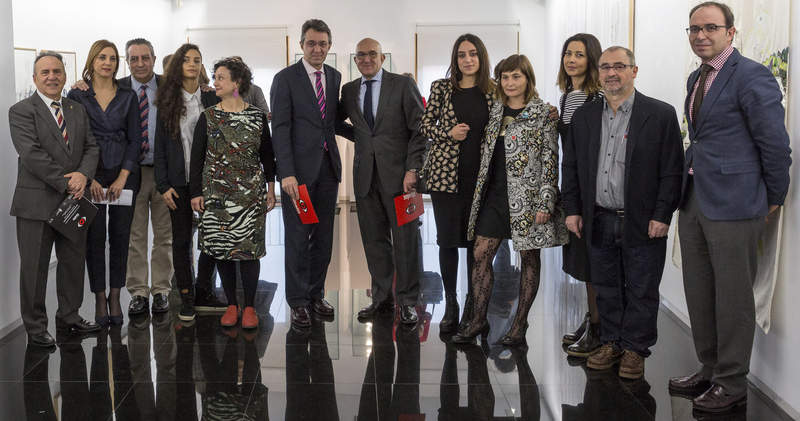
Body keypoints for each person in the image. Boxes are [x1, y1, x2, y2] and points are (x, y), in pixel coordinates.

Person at [669, 2, 792, 413]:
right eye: (693, 29)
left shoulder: (753, 76)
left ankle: (732, 381)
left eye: (710, 28)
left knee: (734, 297)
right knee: (699, 290)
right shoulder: (695, 77)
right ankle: (708, 367)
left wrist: (774, 196)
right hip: (694, 202)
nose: (700, 35)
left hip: (737, 205)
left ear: (730, 32)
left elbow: (775, 144)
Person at [561, 46, 684, 379]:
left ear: (634, 70)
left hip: (642, 220)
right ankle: (612, 341)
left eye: (619, 66)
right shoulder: (584, 117)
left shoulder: (659, 114)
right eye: (605, 67)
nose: (611, 73)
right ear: (598, 73)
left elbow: (672, 169)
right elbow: (570, 166)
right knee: (605, 285)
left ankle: (635, 350)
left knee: (642, 287)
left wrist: (663, 214)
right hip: (598, 216)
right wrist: (571, 208)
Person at [451, 54, 568, 345]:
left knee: (529, 258)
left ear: (528, 79)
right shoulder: (494, 111)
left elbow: (551, 160)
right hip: (494, 196)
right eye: (504, 77)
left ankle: (520, 324)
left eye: (516, 76)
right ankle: (478, 319)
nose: (510, 82)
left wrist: (546, 201)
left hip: (528, 200)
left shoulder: (543, 113)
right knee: (480, 255)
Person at [9, 51, 101, 347]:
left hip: (74, 201)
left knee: (73, 263)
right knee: (34, 270)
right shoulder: (21, 111)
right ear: (35, 78)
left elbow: (91, 147)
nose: (52, 77)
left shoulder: (76, 108)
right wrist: (68, 181)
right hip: (36, 205)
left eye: (57, 71)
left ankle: (69, 316)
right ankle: (36, 327)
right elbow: (31, 154)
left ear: (64, 75)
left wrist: (84, 176)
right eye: (45, 72)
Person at [270, 19, 353, 329]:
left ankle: (316, 293)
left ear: (329, 46)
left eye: (322, 44)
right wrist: (286, 173)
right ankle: (298, 301)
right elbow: (280, 128)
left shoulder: (334, 77)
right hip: (298, 177)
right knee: (297, 237)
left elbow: (330, 122)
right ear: (301, 46)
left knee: (323, 237)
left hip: (328, 170)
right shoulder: (285, 79)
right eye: (311, 43)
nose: (317, 48)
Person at [340, 38, 426, 325]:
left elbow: (419, 130)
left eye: (372, 54)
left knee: (406, 241)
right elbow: (339, 123)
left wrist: (412, 169)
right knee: (374, 242)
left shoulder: (402, 85)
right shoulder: (350, 90)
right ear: (355, 60)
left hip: (402, 179)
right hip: (366, 178)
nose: (366, 59)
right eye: (361, 55)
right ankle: (381, 299)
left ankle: (408, 302)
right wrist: (364, 141)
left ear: (382, 57)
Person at [190, 57, 276, 329]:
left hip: (250, 194)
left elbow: (268, 156)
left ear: (237, 83)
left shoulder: (257, 116)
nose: (215, 82)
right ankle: (231, 305)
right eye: (215, 77)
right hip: (216, 195)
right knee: (222, 250)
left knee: (249, 251)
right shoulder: (208, 116)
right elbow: (197, 158)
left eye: (221, 77)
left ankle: (249, 307)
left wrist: (271, 188)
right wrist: (196, 193)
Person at [420, 33, 494, 333]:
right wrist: (448, 133)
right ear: (455, 59)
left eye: (473, 54)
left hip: (482, 180)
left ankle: (473, 302)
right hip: (445, 179)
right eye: (462, 54)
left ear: (481, 57)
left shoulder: (493, 91)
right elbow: (425, 124)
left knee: (477, 247)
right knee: (448, 242)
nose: (467, 59)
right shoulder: (441, 88)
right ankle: (451, 303)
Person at [67, 40, 141, 327]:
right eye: (101, 57)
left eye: (112, 58)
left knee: (121, 237)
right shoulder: (77, 94)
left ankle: (114, 294)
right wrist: (90, 177)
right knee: (94, 239)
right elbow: (72, 141)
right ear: (92, 60)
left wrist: (123, 177)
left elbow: (136, 139)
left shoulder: (128, 95)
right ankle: (98, 296)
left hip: (124, 175)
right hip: (90, 176)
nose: (107, 62)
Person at [154, 43, 225, 322]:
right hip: (177, 182)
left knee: (211, 239)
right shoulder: (167, 100)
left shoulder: (211, 98)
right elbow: (160, 147)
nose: (193, 64)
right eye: (187, 60)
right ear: (178, 66)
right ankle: (185, 296)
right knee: (181, 240)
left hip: (209, 181)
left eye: (197, 59)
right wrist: (162, 184)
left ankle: (204, 289)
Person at [556, 33, 605, 358]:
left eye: (579, 54)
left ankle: (600, 329)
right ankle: (593, 320)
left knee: (594, 264)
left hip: (592, 188)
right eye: (568, 53)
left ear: (592, 60)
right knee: (583, 262)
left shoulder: (596, 95)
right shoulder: (567, 95)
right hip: (572, 181)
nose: (572, 59)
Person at [118, 39, 174, 316]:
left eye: (145, 58)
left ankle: (161, 290)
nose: (139, 63)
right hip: (130, 173)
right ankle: (138, 292)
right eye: (133, 59)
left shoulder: (170, 86)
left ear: (154, 58)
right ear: (126, 61)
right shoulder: (117, 87)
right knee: (135, 235)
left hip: (163, 173)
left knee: (164, 235)